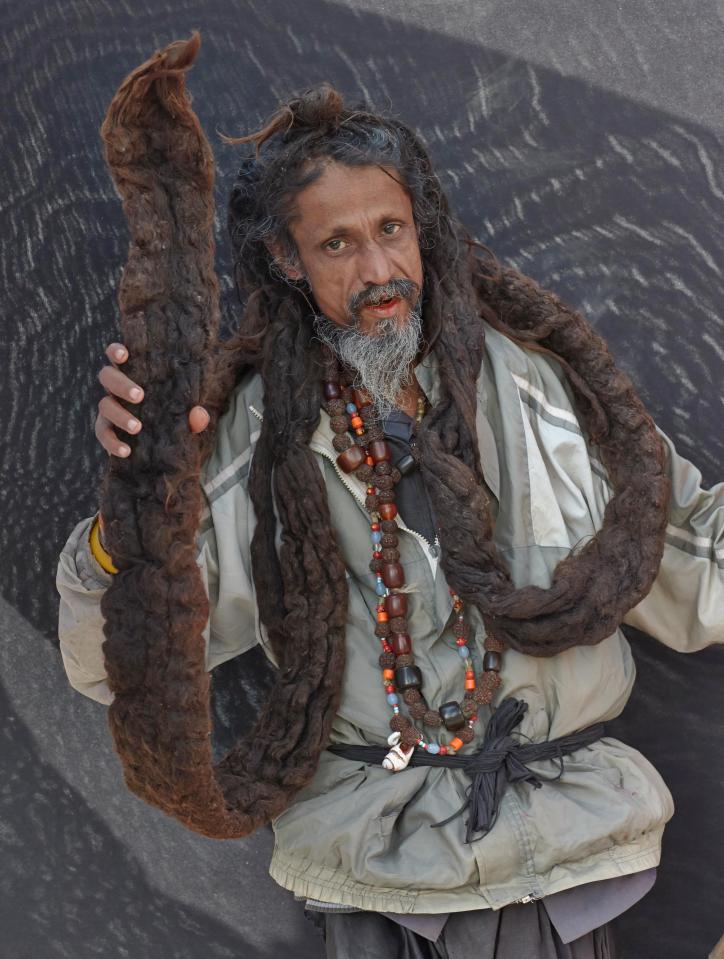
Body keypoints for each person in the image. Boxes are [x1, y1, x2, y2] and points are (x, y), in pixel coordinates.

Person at [56, 83, 723, 959]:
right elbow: (116, 661)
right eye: (337, 243)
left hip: (564, 860)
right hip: (376, 872)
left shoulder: (539, 391)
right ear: (289, 262)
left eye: (390, 231)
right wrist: (132, 507)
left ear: (424, 230)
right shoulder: (255, 440)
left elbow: (691, 560)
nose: (377, 272)